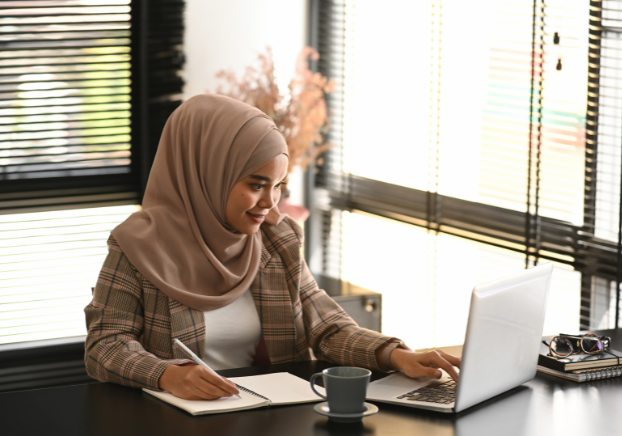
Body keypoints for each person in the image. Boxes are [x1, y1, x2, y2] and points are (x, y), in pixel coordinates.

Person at [84, 94, 460, 401]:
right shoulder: (136, 247)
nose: (271, 203)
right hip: (178, 420)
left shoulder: (278, 239)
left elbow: (326, 328)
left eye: (278, 185)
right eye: (256, 184)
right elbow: (105, 346)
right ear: (207, 174)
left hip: (274, 418)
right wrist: (166, 374)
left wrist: (395, 354)